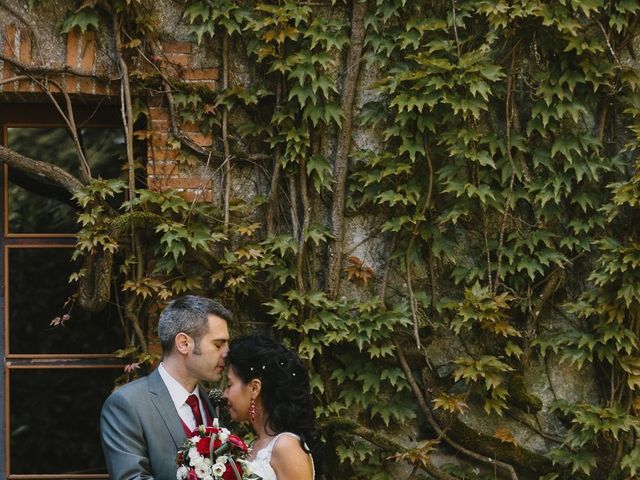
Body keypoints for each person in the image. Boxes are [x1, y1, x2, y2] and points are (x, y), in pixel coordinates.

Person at [100, 295, 232, 480]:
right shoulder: (127, 404)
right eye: (218, 344)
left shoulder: (213, 402)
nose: (227, 353)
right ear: (184, 344)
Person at [223, 335, 317, 480]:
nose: (225, 394)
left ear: (254, 388)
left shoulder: (286, 446)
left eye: (230, 385)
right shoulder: (252, 446)